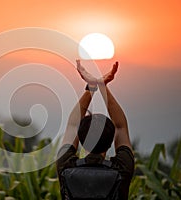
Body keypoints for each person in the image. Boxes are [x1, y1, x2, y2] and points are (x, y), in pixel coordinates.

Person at [56, 60, 134, 200]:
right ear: (111, 142)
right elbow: (120, 126)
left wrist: (91, 87)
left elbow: (73, 125)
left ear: (81, 139)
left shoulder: (66, 166)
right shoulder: (122, 169)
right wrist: (103, 86)